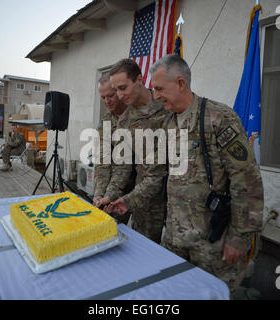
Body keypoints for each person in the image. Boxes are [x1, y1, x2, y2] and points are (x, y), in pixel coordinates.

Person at [150, 54, 264, 296]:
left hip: (213, 245)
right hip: (174, 240)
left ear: (180, 83)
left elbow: (247, 182)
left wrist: (239, 238)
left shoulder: (219, 118)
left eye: (159, 89)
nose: (156, 96)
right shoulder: (167, 123)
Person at [102, 58, 170, 244]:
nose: (119, 95)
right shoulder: (125, 121)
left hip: (179, 196)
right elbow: (121, 167)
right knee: (145, 246)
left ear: (139, 80)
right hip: (146, 198)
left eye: (123, 88)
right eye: (116, 90)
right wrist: (110, 194)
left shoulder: (167, 103)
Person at [92, 75, 131, 224]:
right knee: (111, 227)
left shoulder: (135, 116)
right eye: (102, 97)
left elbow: (124, 164)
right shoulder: (106, 121)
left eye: (110, 95)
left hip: (141, 187)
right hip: (117, 187)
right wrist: (99, 194)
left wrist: (109, 194)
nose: (107, 101)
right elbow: (103, 161)